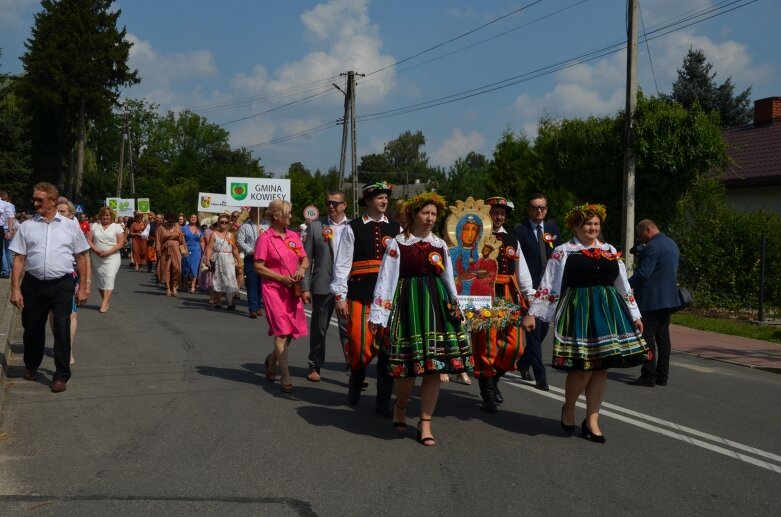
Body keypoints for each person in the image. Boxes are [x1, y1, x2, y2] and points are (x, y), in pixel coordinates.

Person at [525, 203, 649, 443]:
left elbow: (622, 285)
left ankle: (592, 420)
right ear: (576, 226)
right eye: (587, 224)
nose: (592, 228)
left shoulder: (609, 250)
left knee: (601, 368)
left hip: (608, 311)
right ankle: (569, 408)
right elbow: (549, 283)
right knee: (582, 368)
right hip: (579, 310)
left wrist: (635, 314)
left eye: (596, 224)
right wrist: (533, 313)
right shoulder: (564, 251)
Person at [369, 192, 473, 446]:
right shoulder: (398, 243)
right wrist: (379, 314)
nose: (429, 218)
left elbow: (448, 277)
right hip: (408, 305)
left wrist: (456, 306)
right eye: (425, 213)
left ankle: (425, 421)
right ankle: (401, 406)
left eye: (434, 214)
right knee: (406, 370)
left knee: (435, 367)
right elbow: (386, 279)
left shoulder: (440, 245)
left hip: (436, 305)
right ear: (414, 214)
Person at [9, 182, 90, 393]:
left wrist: (83, 286)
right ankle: (31, 365)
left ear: (53, 201)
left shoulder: (70, 225)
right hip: (34, 285)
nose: (35, 203)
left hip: (62, 284)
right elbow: (19, 259)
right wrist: (15, 289)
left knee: (62, 329)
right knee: (32, 328)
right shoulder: (27, 226)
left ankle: (61, 375)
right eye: (33, 199)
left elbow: (81, 257)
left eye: (39, 199)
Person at [331, 181, 402, 416]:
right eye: (380, 198)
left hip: (389, 298)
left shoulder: (397, 228)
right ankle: (356, 379)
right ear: (369, 200)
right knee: (359, 344)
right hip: (360, 294)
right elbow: (342, 264)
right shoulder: (353, 228)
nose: (384, 202)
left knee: (387, 349)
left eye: (386, 198)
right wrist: (340, 295)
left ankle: (383, 401)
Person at [470, 196, 535, 413]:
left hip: (508, 294)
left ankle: (493, 379)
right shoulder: (476, 236)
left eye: (502, 213)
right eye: (495, 212)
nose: (498, 216)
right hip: (484, 293)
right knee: (486, 344)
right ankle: (487, 389)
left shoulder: (512, 239)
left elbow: (521, 270)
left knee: (515, 346)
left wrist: (530, 296)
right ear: (487, 214)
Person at [254, 199, 309, 393]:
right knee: (281, 331)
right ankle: (285, 374)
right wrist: (280, 277)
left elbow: (304, 258)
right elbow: (258, 266)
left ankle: (271, 360)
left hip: (291, 289)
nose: (291, 217)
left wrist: (301, 269)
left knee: (291, 332)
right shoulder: (265, 239)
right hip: (273, 289)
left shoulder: (293, 236)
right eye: (288, 213)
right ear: (276, 215)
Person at [514, 192, 563, 390]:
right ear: (529, 210)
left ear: (546, 209)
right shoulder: (520, 232)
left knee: (542, 333)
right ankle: (540, 377)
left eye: (542, 207)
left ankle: (523, 363)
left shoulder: (552, 229)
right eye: (535, 207)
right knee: (534, 333)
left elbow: (560, 256)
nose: (539, 211)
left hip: (550, 289)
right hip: (530, 290)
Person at [301, 190, 351, 382]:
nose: (330, 206)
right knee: (319, 329)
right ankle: (315, 365)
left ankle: (353, 369)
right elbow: (306, 259)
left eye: (335, 203)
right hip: (322, 284)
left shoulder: (352, 227)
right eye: (327, 203)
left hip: (346, 287)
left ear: (344, 205)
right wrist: (305, 286)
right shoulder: (316, 227)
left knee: (348, 330)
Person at [627, 219, 680, 387]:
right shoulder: (671, 244)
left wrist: (624, 286)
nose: (640, 239)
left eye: (640, 234)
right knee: (663, 338)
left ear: (648, 229)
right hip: (668, 299)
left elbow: (643, 273)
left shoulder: (652, 247)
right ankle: (662, 376)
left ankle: (648, 375)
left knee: (647, 336)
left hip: (652, 300)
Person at [53, 200, 88, 364]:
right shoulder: (49, 228)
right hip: (51, 278)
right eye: (57, 211)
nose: (59, 214)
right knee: (54, 316)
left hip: (72, 276)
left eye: (63, 211)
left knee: (72, 314)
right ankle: (59, 343)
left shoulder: (75, 229)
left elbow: (85, 257)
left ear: (71, 214)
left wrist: (86, 282)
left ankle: (68, 350)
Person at [87, 206, 126, 313]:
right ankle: (105, 300)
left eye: (107, 215)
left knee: (109, 277)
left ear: (111, 216)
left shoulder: (117, 227)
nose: (105, 217)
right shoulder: (95, 226)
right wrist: (96, 250)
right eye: (103, 215)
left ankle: (104, 303)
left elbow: (120, 243)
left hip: (112, 257)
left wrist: (108, 252)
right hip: (97, 257)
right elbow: (89, 241)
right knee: (100, 280)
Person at [204, 214, 240, 308]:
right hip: (217, 258)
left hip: (228, 259)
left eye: (226, 222)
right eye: (221, 222)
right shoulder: (214, 234)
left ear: (228, 224)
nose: (223, 224)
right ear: (218, 223)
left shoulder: (230, 235)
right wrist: (207, 259)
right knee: (218, 279)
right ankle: (218, 301)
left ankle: (230, 302)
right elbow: (209, 248)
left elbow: (235, 249)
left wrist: (239, 260)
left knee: (229, 279)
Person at [237, 207, 265, 318]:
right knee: (251, 282)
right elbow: (240, 241)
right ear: (251, 213)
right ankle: (253, 308)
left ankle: (258, 305)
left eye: (259, 211)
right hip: (251, 257)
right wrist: (250, 250)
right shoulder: (245, 226)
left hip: (264, 259)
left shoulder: (267, 225)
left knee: (261, 283)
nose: (257, 213)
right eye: (254, 211)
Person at [155, 212, 185, 297]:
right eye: (170, 221)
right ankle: (168, 288)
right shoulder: (162, 227)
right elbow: (158, 239)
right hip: (166, 249)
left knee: (177, 268)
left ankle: (174, 286)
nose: (171, 223)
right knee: (166, 269)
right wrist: (158, 251)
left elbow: (182, 239)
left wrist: (184, 250)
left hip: (176, 249)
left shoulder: (177, 226)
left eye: (173, 221)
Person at [182, 214, 203, 294]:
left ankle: (193, 286)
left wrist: (203, 251)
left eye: (194, 217)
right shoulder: (184, 228)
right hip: (186, 249)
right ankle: (185, 283)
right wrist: (184, 250)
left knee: (194, 268)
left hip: (197, 250)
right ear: (189, 218)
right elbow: (181, 240)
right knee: (185, 267)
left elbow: (202, 241)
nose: (193, 218)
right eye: (191, 217)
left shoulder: (199, 229)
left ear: (197, 219)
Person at [0, 190, 16, 278]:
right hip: (9, 228)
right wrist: (11, 230)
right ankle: (10, 269)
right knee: (8, 250)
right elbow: (13, 217)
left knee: (2, 250)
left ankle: (5, 270)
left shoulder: (3, 205)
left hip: (4, 228)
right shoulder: (11, 205)